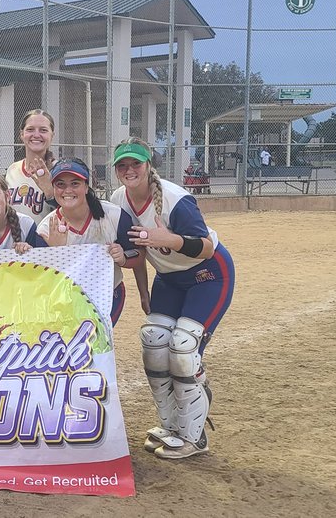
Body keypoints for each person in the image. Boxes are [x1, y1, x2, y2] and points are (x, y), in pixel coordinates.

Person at [110, 137, 235, 460]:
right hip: (168, 279)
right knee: (153, 341)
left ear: (148, 164)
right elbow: (135, 254)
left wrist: (170, 239)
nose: (129, 170)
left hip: (207, 275)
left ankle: (195, 437)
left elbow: (205, 247)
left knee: (182, 347)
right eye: (122, 165)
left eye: (135, 163)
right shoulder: (118, 200)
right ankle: (171, 426)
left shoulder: (175, 198)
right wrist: (143, 292)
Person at [37, 158, 140, 325]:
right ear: (54, 189)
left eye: (75, 183)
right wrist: (56, 253)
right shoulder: (46, 229)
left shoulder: (113, 215)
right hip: (65, 299)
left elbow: (138, 254)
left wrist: (123, 257)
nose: (67, 190)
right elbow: (43, 281)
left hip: (107, 294)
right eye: (60, 184)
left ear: (86, 186)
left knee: (93, 342)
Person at [6, 109, 57, 222]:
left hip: (45, 238)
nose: (36, 135)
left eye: (43, 130)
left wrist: (50, 192)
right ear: (22, 134)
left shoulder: (60, 171)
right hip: (16, 238)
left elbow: (72, 213)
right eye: (30, 129)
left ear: (52, 135)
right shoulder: (12, 169)